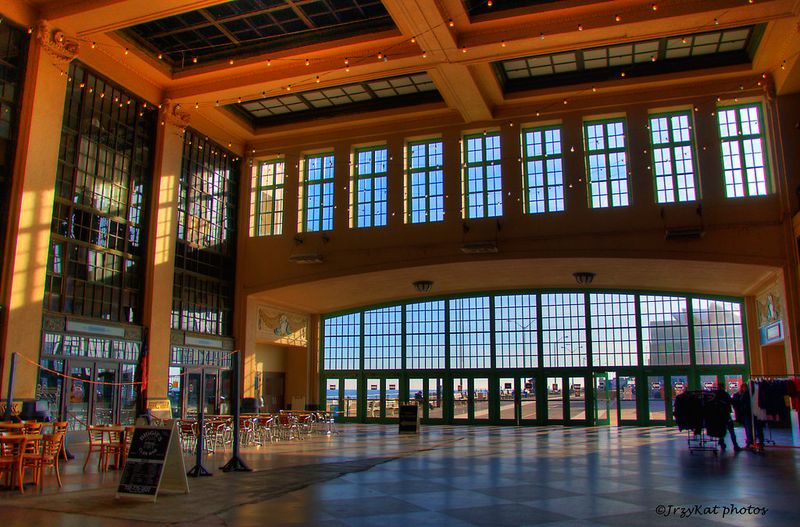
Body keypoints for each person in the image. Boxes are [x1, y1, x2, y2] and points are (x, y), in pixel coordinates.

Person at [732, 382, 764, 449]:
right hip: (755, 412)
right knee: (757, 427)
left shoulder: (745, 394)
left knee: (749, 428)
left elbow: (740, 402)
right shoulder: (754, 393)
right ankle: (759, 441)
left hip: (747, 413)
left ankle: (750, 442)